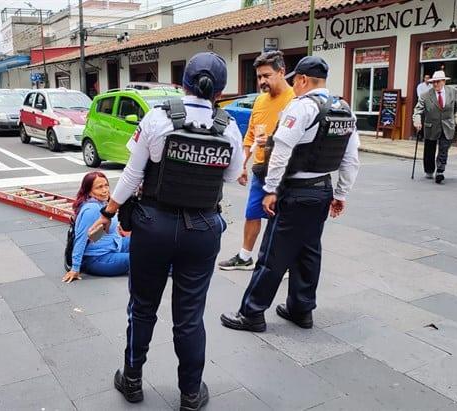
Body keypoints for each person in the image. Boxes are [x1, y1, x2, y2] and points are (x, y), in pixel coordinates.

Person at [89, 52, 244, 410]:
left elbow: (132, 174)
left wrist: (109, 211)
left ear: (183, 83)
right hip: (203, 230)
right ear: (218, 91)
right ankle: (190, 394)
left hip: (153, 226)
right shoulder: (229, 127)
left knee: (142, 308)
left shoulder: (158, 117)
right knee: (189, 315)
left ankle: (131, 381)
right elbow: (233, 176)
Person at [220, 56, 359, 332]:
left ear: (304, 80)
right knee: (309, 253)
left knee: (273, 255)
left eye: (296, 80)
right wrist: (341, 194)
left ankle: (252, 313)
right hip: (322, 190)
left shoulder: (303, 108)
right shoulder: (345, 110)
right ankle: (301, 309)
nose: (294, 85)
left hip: (295, 192)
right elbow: (351, 158)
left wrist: (271, 190)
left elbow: (281, 150)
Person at [218, 50, 296, 271]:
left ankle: (284, 264)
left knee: (280, 219)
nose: (262, 81)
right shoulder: (260, 101)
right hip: (261, 168)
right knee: (252, 213)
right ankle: (245, 257)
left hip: (284, 170)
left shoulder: (294, 101)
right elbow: (251, 135)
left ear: (282, 72)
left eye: (267, 75)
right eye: (259, 76)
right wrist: (242, 164)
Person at [62, 171, 130, 283]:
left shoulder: (103, 203)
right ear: (89, 191)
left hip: (114, 244)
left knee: (142, 243)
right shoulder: (91, 209)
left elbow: (101, 232)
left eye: (106, 185)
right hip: (98, 258)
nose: (105, 190)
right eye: (99, 187)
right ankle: (168, 267)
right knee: (138, 259)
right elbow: (81, 239)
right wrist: (75, 268)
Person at [412, 70, 457, 184]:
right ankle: (429, 170)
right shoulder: (426, 95)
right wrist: (417, 121)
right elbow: (417, 110)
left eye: (437, 82)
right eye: (433, 82)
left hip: (447, 125)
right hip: (431, 126)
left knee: (444, 149)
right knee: (430, 149)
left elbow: (456, 108)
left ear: (444, 81)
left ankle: (440, 171)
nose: (435, 84)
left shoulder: (453, 91)